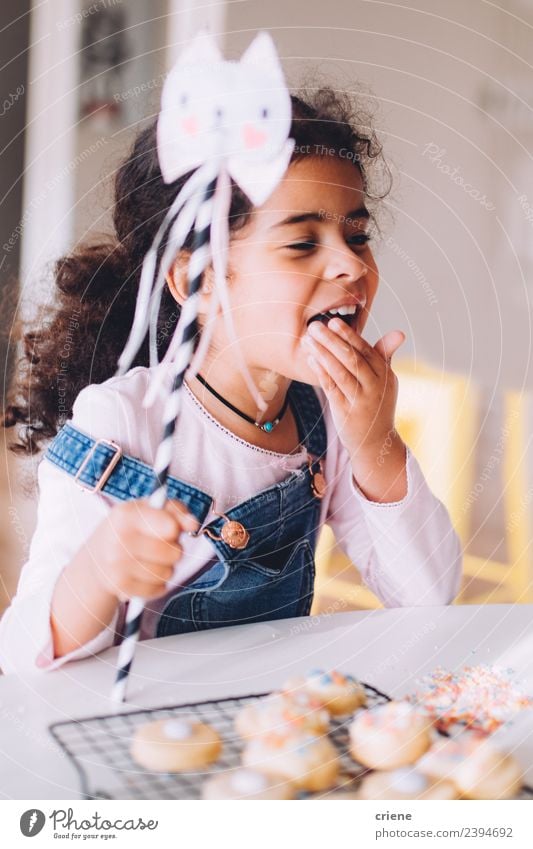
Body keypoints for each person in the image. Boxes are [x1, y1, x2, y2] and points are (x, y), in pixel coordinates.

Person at [0, 88, 462, 675]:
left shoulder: (328, 421)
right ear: (199, 280)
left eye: (357, 235)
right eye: (302, 243)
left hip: (270, 725)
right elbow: (17, 658)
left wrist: (376, 446)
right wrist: (97, 571)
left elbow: (428, 599)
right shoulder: (122, 422)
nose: (351, 264)